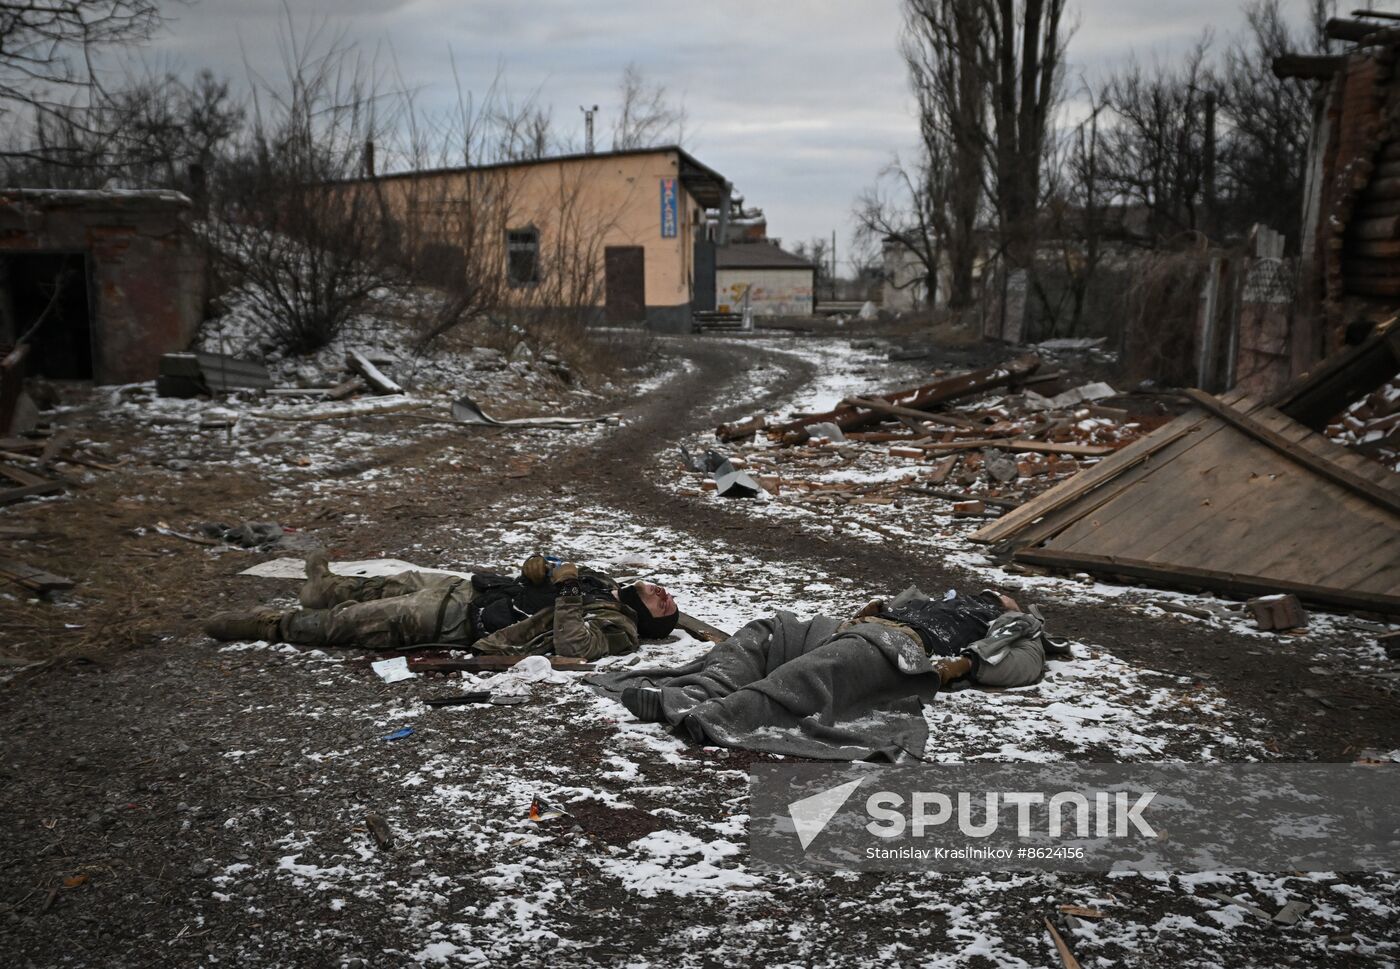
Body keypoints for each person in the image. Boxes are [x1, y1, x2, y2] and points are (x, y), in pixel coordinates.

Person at [588, 586, 1069, 762]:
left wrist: (969, 662)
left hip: (899, 651)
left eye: (997, 598)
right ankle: (691, 693)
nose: (986, 597)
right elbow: (880, 608)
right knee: (765, 634)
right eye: (986, 594)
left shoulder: (1012, 631)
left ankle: (721, 716)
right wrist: (884, 606)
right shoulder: (932, 599)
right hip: (854, 629)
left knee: (819, 670)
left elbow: (1021, 669)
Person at [204, 552, 680, 660]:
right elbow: (541, 584)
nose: (663, 594)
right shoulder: (607, 585)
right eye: (666, 592)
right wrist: (535, 571)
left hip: (458, 621)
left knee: (352, 623)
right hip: (475, 591)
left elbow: (575, 644)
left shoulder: (621, 628)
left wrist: (570, 592)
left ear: (649, 623)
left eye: (665, 607)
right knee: (397, 581)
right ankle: (323, 586)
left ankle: (269, 626)